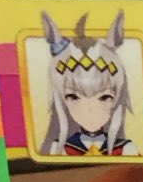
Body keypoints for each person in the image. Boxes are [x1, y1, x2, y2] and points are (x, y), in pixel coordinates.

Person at [40, 9, 138, 159]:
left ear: (117, 98)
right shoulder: (59, 149)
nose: (90, 111)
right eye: (73, 97)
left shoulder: (126, 149)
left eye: (105, 97)